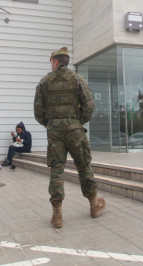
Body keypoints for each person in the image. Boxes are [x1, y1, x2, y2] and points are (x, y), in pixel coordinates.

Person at [33, 46, 105, 228]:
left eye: (51, 62)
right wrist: (77, 121)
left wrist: (51, 124)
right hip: (75, 130)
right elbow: (89, 105)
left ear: (56, 62)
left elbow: (38, 111)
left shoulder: (44, 82)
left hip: (54, 132)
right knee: (84, 167)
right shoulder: (77, 79)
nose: (51, 65)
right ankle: (94, 205)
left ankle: (57, 215)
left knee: (56, 170)